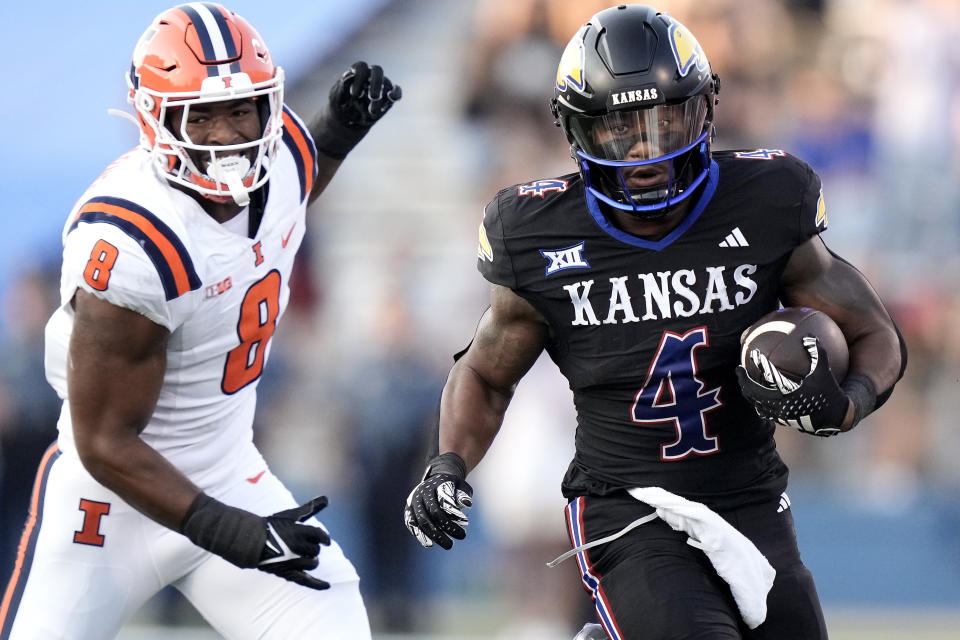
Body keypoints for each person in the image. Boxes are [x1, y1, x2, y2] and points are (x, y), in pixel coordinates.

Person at [404, 5, 906, 640]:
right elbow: (485, 372)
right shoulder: (540, 233)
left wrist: (850, 404)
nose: (649, 150)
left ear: (704, 109)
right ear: (577, 130)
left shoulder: (766, 198)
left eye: (666, 118)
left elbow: (874, 333)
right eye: (621, 127)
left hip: (750, 500)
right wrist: (446, 464)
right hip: (630, 510)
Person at [0, 4, 399, 639]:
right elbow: (105, 440)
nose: (225, 135)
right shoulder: (132, 242)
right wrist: (229, 531)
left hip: (227, 468)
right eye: (201, 115)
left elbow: (295, 180)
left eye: (240, 109)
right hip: (106, 500)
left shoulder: (283, 155)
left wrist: (339, 129)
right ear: (155, 119)